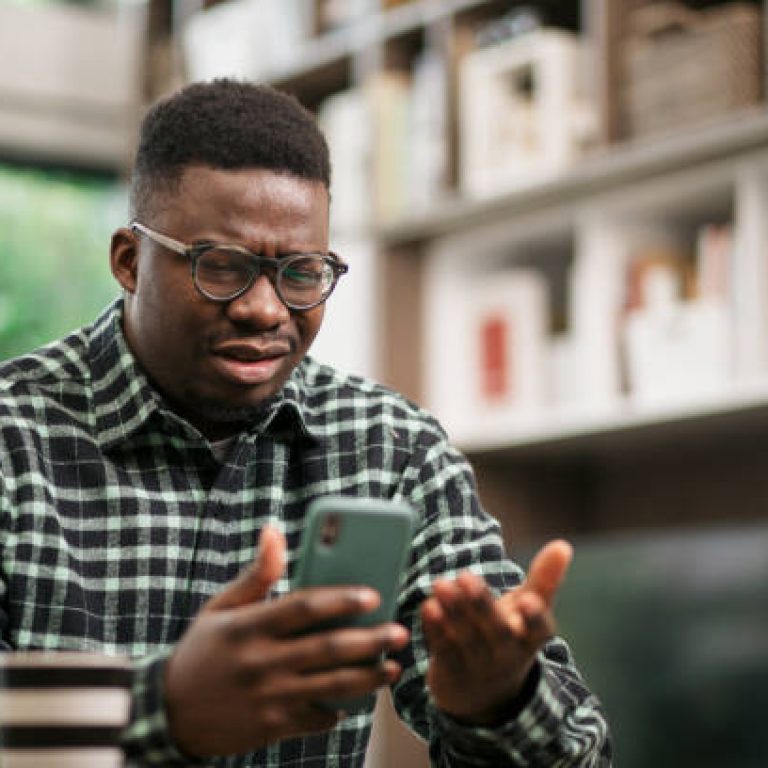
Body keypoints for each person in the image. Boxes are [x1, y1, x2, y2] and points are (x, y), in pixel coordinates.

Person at [0, 79, 611, 767]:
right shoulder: (13, 441)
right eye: (222, 266)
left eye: (301, 272)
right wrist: (163, 710)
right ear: (128, 261)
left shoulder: (394, 452)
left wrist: (500, 703)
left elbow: (579, 756)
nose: (266, 309)